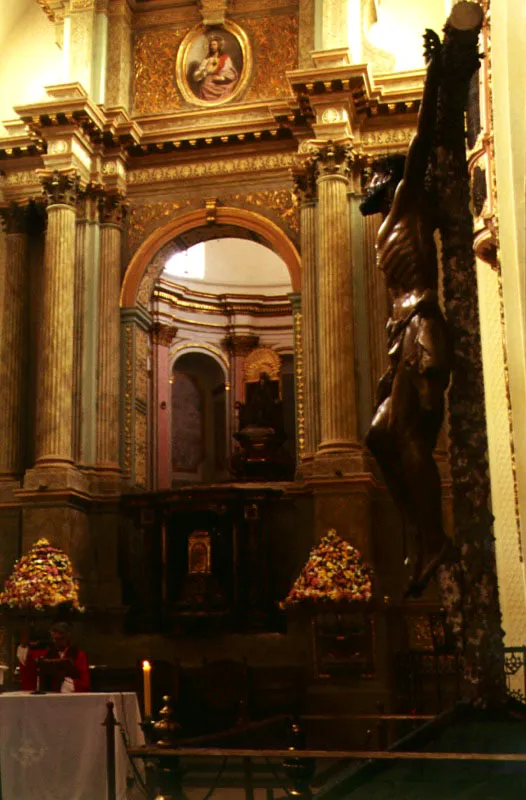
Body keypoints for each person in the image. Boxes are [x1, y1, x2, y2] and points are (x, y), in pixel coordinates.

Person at [360, 29, 454, 598]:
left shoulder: (406, 204)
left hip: (422, 326)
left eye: (375, 175)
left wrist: (436, 74)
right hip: (402, 334)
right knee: (377, 438)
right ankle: (422, 533)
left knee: (409, 437)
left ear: (392, 182)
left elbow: (419, 144)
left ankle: (435, 538)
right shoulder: (383, 233)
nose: (367, 182)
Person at [18, 621, 90, 693]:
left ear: (67, 636)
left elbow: (85, 682)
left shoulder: (79, 655)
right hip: (50, 695)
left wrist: (68, 682)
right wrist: (23, 645)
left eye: (61, 639)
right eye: (55, 639)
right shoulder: (47, 654)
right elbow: (27, 663)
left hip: (71, 695)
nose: (58, 642)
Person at [193, 35, 238, 102]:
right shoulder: (206, 60)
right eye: (211, 45)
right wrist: (205, 71)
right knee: (204, 87)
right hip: (209, 83)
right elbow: (197, 75)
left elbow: (229, 72)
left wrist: (221, 77)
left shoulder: (225, 58)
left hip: (222, 83)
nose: (212, 47)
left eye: (214, 45)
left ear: (218, 46)